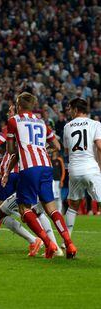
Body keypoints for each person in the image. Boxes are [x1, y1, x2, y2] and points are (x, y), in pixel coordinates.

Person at [0, 104, 56, 255]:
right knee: (31, 210)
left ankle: (37, 241)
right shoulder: (31, 125)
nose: (8, 112)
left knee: (3, 213)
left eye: (10, 110)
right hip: (27, 171)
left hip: (14, 175)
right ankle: (48, 243)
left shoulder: (13, 126)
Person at [3, 92, 77, 259]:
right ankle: (69, 243)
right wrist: (41, 149)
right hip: (46, 166)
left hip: (29, 167)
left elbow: (9, 150)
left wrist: (23, 149)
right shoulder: (41, 122)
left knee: (24, 208)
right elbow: (57, 145)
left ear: (18, 105)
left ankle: (48, 243)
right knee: (51, 208)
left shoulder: (13, 120)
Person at [63, 98, 101, 244]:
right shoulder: (95, 124)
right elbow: (99, 145)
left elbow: (67, 149)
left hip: (74, 169)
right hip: (91, 168)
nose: (69, 112)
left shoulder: (67, 126)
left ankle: (66, 241)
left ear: (75, 109)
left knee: (73, 206)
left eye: (70, 109)